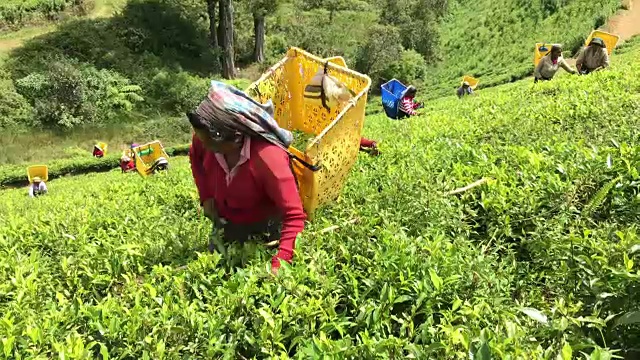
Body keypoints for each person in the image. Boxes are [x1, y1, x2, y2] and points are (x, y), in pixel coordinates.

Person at [188, 80, 306, 274]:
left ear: (235, 137)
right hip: (227, 220)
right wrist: (206, 196)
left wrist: (280, 263)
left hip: (265, 225)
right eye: (201, 140)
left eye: (212, 144)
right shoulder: (206, 137)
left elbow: (294, 216)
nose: (206, 147)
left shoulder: (268, 157)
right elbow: (195, 156)